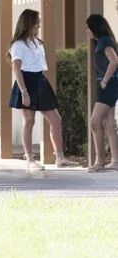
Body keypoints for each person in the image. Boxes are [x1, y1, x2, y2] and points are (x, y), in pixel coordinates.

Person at [7, 9, 77, 170]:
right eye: (36, 23)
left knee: (56, 119)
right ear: (28, 23)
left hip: (40, 80)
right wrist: (24, 92)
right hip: (26, 82)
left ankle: (60, 157)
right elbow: (16, 69)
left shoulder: (38, 42)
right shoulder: (18, 45)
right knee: (29, 121)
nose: (39, 25)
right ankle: (30, 159)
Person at [84, 14, 118, 172]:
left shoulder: (104, 41)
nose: (87, 31)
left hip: (108, 85)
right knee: (108, 124)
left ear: (95, 28)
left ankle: (99, 162)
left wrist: (104, 81)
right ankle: (115, 161)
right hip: (110, 85)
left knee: (94, 122)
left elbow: (114, 60)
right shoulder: (102, 41)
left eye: (88, 28)